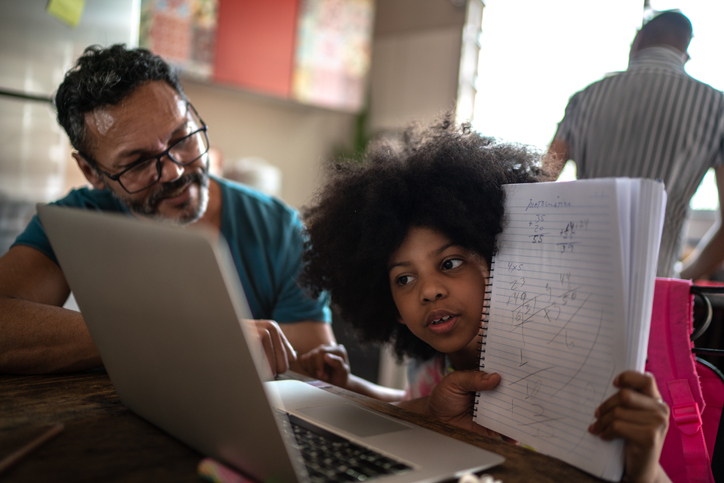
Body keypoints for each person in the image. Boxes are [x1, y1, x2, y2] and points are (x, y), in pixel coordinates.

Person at [298, 115, 672, 482]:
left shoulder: (564, 371)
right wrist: (351, 386)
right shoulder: (431, 367)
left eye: (451, 262)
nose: (429, 291)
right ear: (391, 306)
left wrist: (645, 472)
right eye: (405, 278)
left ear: (499, 262)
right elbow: (413, 401)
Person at [0, 44, 335, 375]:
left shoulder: (278, 228)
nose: (175, 171)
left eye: (183, 138)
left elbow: (308, 377)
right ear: (92, 172)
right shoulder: (73, 221)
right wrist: (183, 337)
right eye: (140, 161)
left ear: (193, 115)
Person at [544, 10, 724, 280]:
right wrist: (680, 276)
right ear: (685, 52)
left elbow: (540, 186)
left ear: (637, 41)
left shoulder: (585, 98)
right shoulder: (716, 107)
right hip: (656, 286)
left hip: (578, 283)